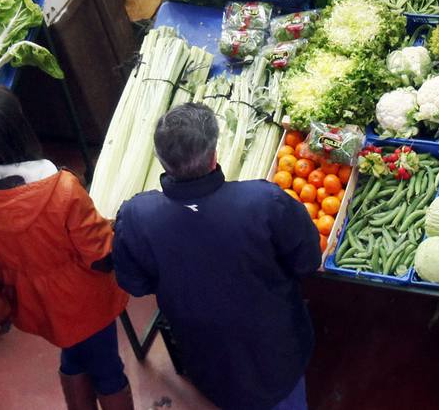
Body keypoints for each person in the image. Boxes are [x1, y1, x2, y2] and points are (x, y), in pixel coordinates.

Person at [112, 104, 321, 410]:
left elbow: (136, 284)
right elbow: (307, 260)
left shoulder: (136, 216)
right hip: (278, 354)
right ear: (214, 155)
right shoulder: (265, 201)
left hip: (208, 361)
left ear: (162, 161)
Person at [0, 88, 131, 410]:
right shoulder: (61, 189)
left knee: (72, 353)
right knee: (107, 367)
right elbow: (99, 254)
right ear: (20, 129)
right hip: (82, 299)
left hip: (27, 298)